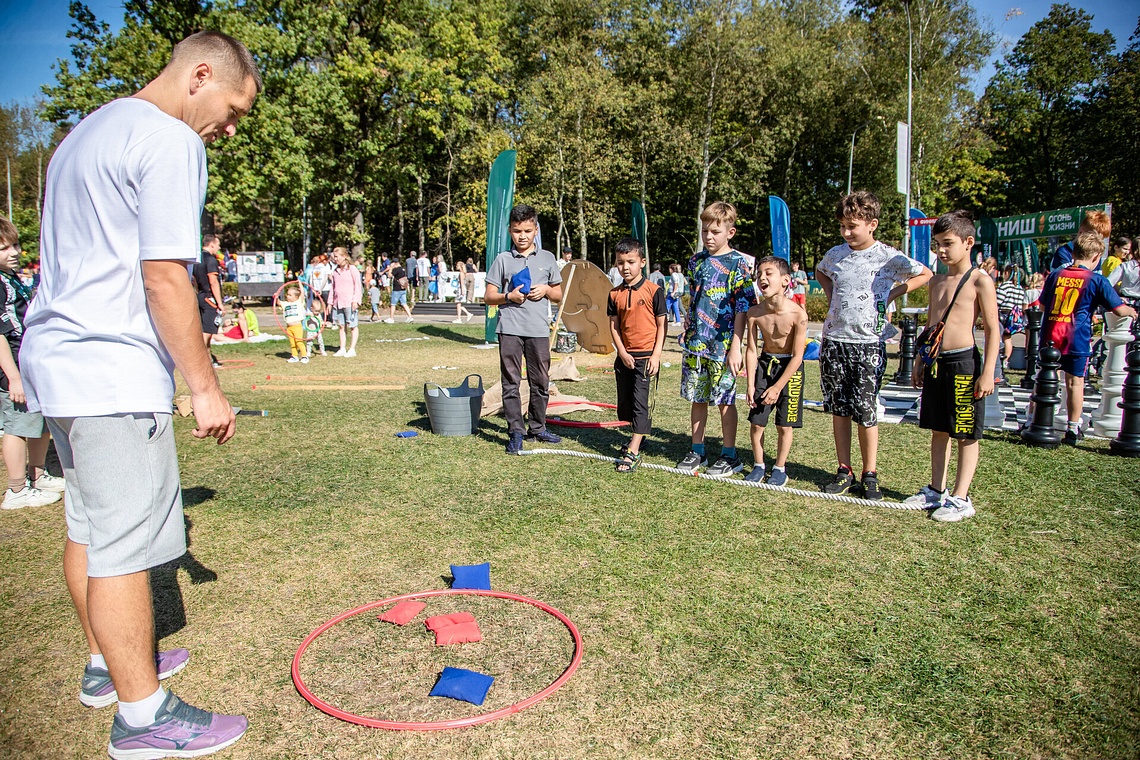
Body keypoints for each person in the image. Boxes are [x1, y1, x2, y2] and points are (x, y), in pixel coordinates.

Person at [20, 30, 257, 759]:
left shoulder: (84, 134)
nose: (231, 126)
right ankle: (143, 715)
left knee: (90, 527)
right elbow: (163, 276)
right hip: (112, 368)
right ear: (202, 74)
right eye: (235, 107)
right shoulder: (169, 141)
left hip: (59, 364)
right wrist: (204, 386)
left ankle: (105, 667)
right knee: (123, 547)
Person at [815, 190, 932, 500]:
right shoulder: (836, 254)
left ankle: (870, 474)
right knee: (839, 408)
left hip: (869, 344)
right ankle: (844, 469)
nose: (846, 232)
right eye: (842, 226)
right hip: (835, 341)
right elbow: (821, 272)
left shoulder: (887, 256)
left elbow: (926, 273)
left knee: (865, 411)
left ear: (872, 224)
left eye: (852, 225)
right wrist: (831, 298)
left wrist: (893, 294)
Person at [905, 211, 1000, 522]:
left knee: (965, 432)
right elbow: (932, 323)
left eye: (947, 243)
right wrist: (920, 359)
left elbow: (993, 329)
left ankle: (961, 497)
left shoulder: (979, 280)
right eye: (937, 245)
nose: (941, 251)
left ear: (968, 242)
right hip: (936, 362)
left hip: (964, 363)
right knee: (938, 428)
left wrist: (988, 372)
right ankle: (936, 489)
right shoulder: (936, 281)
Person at [676, 201, 756, 476]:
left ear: (730, 232)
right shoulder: (696, 262)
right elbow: (694, 296)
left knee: (725, 399)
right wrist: (688, 323)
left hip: (723, 346)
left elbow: (743, 308)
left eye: (715, 232)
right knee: (697, 397)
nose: (709, 237)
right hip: (697, 343)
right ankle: (697, 450)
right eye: (705, 231)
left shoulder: (739, 264)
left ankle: (729, 454)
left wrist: (737, 345)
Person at [1039, 231, 1137, 444]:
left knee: (1045, 378)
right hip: (1077, 338)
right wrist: (1131, 311)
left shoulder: (1056, 274)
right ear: (1096, 258)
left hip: (1050, 335)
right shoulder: (1096, 279)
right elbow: (1119, 309)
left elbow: (1043, 304)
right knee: (1075, 382)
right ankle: (1073, 429)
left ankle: (1035, 420)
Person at [484, 204, 563, 454]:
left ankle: (538, 428)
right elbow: (488, 296)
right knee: (511, 382)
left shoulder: (548, 258)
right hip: (509, 329)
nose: (522, 236)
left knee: (540, 381)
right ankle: (515, 432)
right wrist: (509, 296)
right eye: (517, 231)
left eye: (528, 230)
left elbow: (559, 295)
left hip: (538, 331)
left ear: (536, 230)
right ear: (510, 230)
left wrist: (547, 291)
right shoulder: (503, 259)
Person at [0, 216, 64, 510]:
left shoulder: (11, 279)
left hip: (29, 363)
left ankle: (37, 475)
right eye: (3, 248)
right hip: (12, 368)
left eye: (14, 245)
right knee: (17, 425)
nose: (13, 252)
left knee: (40, 420)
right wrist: (12, 376)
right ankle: (16, 489)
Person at [743, 256, 807, 486]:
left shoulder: (797, 314)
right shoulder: (754, 313)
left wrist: (778, 387)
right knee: (757, 422)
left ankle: (780, 468)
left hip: (790, 369)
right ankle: (759, 465)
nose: (762, 278)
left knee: (784, 424)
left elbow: (798, 356)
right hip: (765, 364)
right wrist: (750, 384)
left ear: (785, 280)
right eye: (759, 274)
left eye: (769, 273)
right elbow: (751, 350)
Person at [607, 238, 667, 473]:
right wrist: (621, 352)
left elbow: (662, 326)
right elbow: (613, 326)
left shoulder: (654, 291)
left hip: (646, 358)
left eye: (631, 262)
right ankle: (638, 436)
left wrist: (656, 355)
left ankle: (633, 450)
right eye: (621, 262)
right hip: (625, 357)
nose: (626, 267)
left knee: (642, 404)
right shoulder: (614, 294)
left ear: (642, 262)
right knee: (626, 405)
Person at [192, 233, 225, 367]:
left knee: (203, 330)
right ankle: (201, 360)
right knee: (207, 331)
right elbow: (213, 281)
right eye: (217, 245)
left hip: (199, 296)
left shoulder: (197, 259)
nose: (219, 247)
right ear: (211, 244)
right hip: (209, 298)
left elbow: (193, 280)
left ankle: (209, 358)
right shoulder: (210, 260)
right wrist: (220, 303)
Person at [995, 263, 1027, 381]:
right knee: (1008, 339)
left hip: (1003, 314)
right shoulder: (1019, 288)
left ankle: (998, 359)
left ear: (1007, 273)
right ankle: (1006, 361)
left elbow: (997, 301)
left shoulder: (1005, 286)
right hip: (1013, 317)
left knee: (998, 338)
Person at [329, 246, 362, 357]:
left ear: (344, 256)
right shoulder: (335, 271)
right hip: (338, 302)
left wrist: (356, 300)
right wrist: (330, 302)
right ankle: (342, 348)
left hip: (350, 302)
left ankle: (352, 349)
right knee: (341, 326)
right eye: (334, 257)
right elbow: (332, 288)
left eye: (337, 256)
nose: (335, 259)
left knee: (352, 325)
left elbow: (357, 286)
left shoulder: (352, 269)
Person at [1108, 238, 1139, 307]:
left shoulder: (1126, 266)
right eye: (1125, 249)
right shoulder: (1115, 262)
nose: (1127, 252)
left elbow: (1107, 284)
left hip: (1128, 303)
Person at [282, 286, 309, 363]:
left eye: (290, 295)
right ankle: (294, 356)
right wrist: (276, 297)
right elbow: (278, 302)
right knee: (292, 343)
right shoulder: (285, 304)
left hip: (297, 327)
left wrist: (300, 283)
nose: (287, 296)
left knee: (299, 342)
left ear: (296, 297)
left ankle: (304, 356)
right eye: (287, 294)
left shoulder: (298, 302)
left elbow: (302, 293)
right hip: (289, 327)